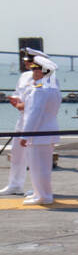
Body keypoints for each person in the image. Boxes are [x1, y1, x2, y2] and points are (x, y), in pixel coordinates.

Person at [17, 55, 61, 205]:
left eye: (35, 69)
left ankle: (43, 196)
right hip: (46, 131)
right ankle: (39, 193)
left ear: (43, 72)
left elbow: (34, 114)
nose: (33, 72)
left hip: (39, 133)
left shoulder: (40, 90)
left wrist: (25, 135)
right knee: (41, 167)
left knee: (38, 168)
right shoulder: (52, 88)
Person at [3, 52, 36, 196]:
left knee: (34, 155)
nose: (26, 63)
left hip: (35, 119)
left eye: (29, 60)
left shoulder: (46, 78)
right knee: (17, 153)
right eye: (25, 60)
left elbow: (40, 101)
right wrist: (15, 100)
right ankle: (15, 185)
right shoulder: (24, 76)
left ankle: (38, 187)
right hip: (22, 118)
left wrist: (22, 105)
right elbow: (18, 93)